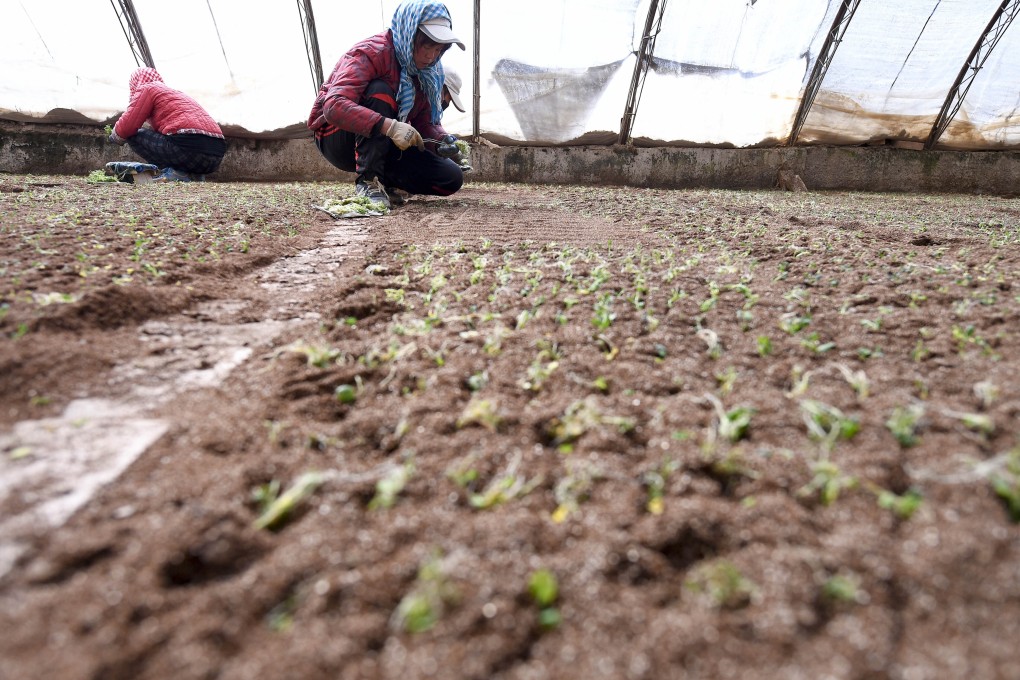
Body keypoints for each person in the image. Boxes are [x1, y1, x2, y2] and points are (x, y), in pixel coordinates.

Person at [307, 1, 466, 209]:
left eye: (438, 49)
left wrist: (441, 140)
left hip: (384, 143)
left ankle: (385, 181)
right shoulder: (372, 52)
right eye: (427, 45)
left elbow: (424, 122)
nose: (431, 56)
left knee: (451, 177)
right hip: (338, 138)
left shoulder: (429, 73)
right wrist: (389, 126)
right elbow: (334, 106)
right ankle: (369, 181)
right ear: (410, 33)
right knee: (380, 89)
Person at [108, 67, 227, 182]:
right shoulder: (177, 94)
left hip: (188, 152)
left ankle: (176, 172)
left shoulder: (148, 88)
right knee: (168, 137)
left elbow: (127, 127)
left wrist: (114, 135)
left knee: (133, 134)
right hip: (215, 158)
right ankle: (193, 175)